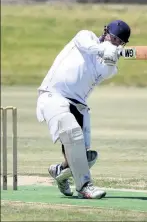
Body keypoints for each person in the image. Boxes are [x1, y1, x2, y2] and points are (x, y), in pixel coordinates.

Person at [36, 20, 131, 199]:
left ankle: (60, 171)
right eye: (114, 38)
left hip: (79, 105)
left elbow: (107, 70)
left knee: (84, 157)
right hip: (53, 95)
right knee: (72, 134)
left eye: (120, 42)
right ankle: (85, 187)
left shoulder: (110, 65)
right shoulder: (85, 36)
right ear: (105, 31)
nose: (116, 43)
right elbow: (87, 45)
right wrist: (105, 48)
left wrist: (111, 57)